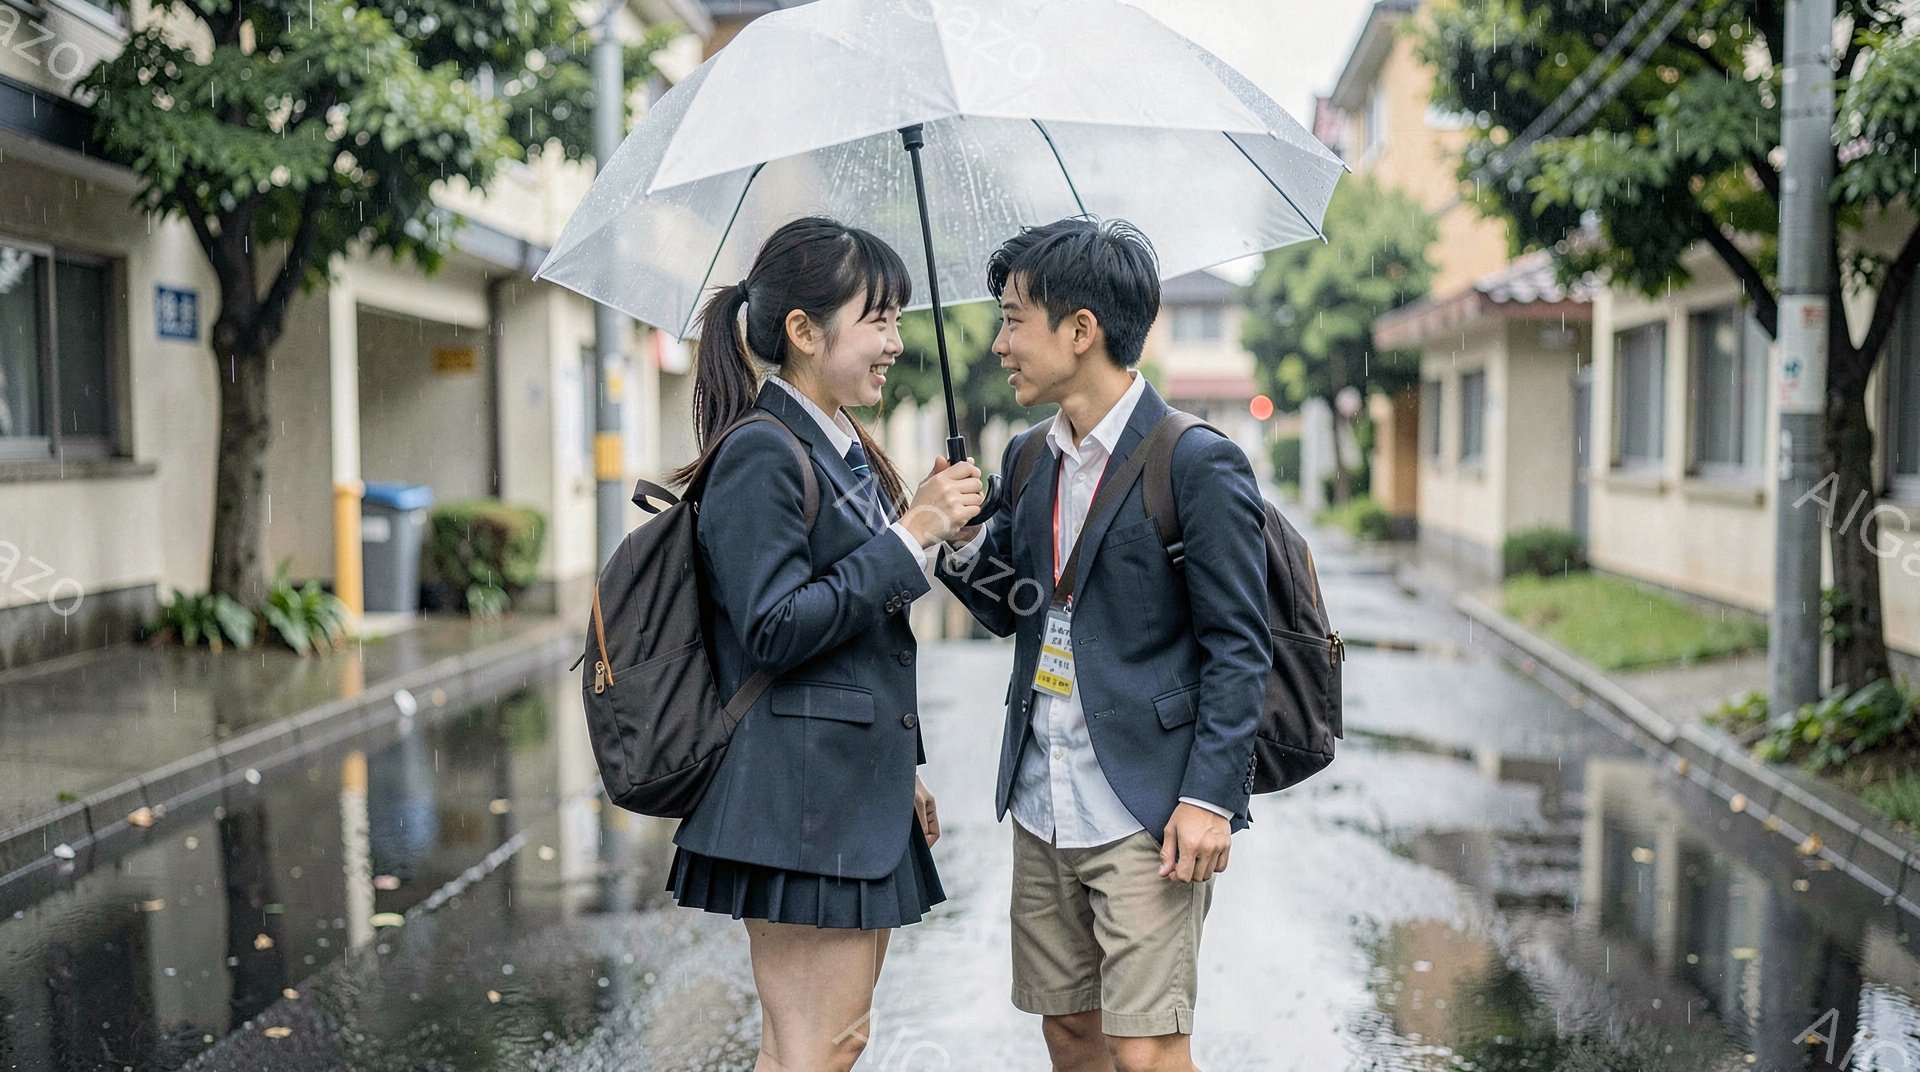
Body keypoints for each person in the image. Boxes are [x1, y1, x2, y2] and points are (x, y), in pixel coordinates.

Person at [937, 218, 1269, 1072]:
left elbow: (1240, 647)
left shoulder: (1194, 461)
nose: (1000, 343)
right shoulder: (1027, 459)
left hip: (1146, 809)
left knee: (1146, 1048)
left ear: (1080, 329)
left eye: (1014, 320)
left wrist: (1209, 798)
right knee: (1070, 1033)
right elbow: (1012, 607)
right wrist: (958, 540)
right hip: (1043, 799)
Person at [666, 216, 985, 1072]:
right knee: (820, 1048)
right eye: (877, 320)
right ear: (805, 331)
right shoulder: (763, 452)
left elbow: (853, 641)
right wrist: (910, 534)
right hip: (798, 802)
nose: (895, 343)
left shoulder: (835, 447)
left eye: (897, 320)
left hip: (839, 792)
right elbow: (773, 627)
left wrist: (898, 768)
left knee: (817, 1048)